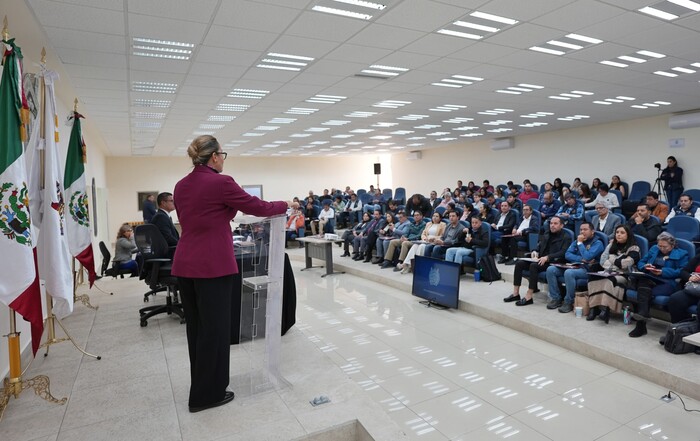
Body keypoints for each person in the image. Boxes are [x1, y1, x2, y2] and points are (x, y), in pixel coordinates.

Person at [171, 135, 288, 413]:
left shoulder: (181, 185)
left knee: (198, 330)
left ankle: (201, 387)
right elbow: (257, 207)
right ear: (214, 157)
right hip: (213, 265)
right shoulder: (221, 182)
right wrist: (285, 206)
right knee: (215, 331)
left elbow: (206, 214)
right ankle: (207, 395)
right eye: (223, 154)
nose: (223, 159)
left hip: (185, 264)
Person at [628, 232, 688, 338]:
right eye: (659, 246)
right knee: (643, 284)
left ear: (672, 245)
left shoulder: (682, 254)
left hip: (668, 282)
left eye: (665, 247)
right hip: (650, 277)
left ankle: (641, 324)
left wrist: (663, 271)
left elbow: (682, 271)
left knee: (644, 291)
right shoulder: (654, 249)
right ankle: (642, 320)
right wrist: (645, 266)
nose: (661, 249)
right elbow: (641, 262)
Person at [504, 216, 571, 306]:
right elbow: (539, 247)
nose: (552, 226)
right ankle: (515, 293)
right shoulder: (547, 233)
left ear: (562, 225)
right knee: (519, 263)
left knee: (533, 266)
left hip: (553, 262)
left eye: (555, 224)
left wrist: (548, 257)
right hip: (540, 260)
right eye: (551, 223)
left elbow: (564, 252)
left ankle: (529, 296)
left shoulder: (566, 237)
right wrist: (534, 251)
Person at [545, 222, 604, 313]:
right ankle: (556, 298)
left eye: (585, 229)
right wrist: (581, 258)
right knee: (551, 269)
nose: (582, 232)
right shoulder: (577, 241)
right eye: (581, 230)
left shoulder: (597, 243)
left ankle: (569, 301)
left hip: (587, 270)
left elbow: (588, 257)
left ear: (592, 231)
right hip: (574, 266)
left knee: (569, 273)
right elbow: (567, 254)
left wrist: (580, 244)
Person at [586, 225, 640, 323]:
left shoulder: (634, 248)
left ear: (628, 235)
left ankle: (606, 308)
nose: (618, 235)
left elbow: (625, 264)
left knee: (609, 280)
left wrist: (611, 259)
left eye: (622, 233)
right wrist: (616, 263)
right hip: (609, 272)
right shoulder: (611, 245)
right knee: (593, 276)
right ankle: (594, 308)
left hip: (624, 275)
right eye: (617, 232)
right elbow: (602, 261)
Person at [667, 254, 700, 323]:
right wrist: (690, 277)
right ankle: (681, 329)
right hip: (695, 288)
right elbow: (683, 271)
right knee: (675, 299)